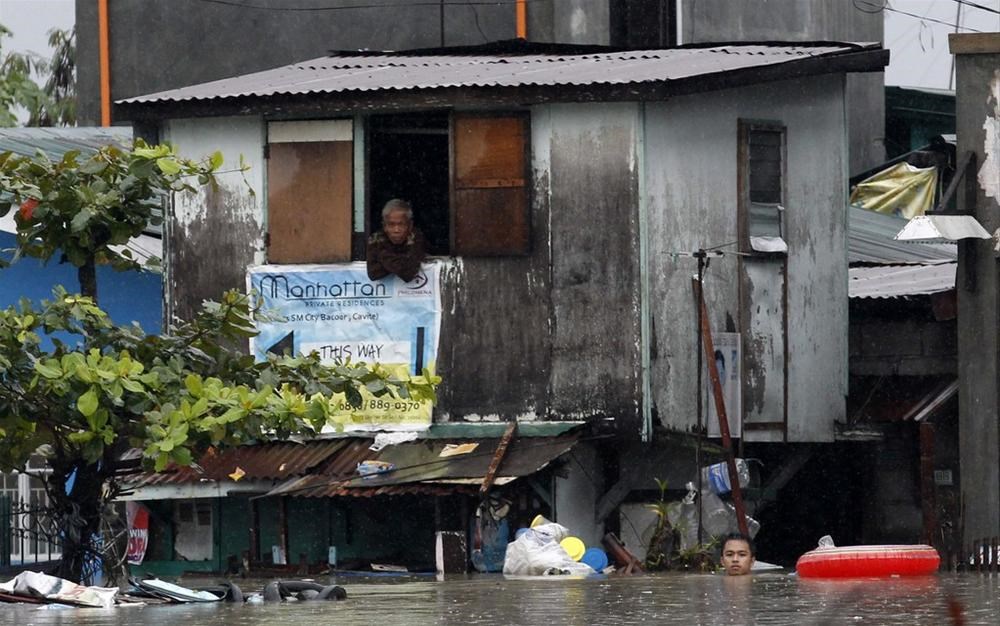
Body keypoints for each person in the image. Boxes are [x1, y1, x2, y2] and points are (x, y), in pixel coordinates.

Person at [366, 199, 426, 282]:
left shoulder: (416, 236)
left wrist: (384, 260)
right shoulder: (376, 239)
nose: (396, 230)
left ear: (410, 225)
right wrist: (403, 259)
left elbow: (408, 273)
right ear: (384, 226)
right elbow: (373, 273)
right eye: (391, 225)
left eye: (401, 224)